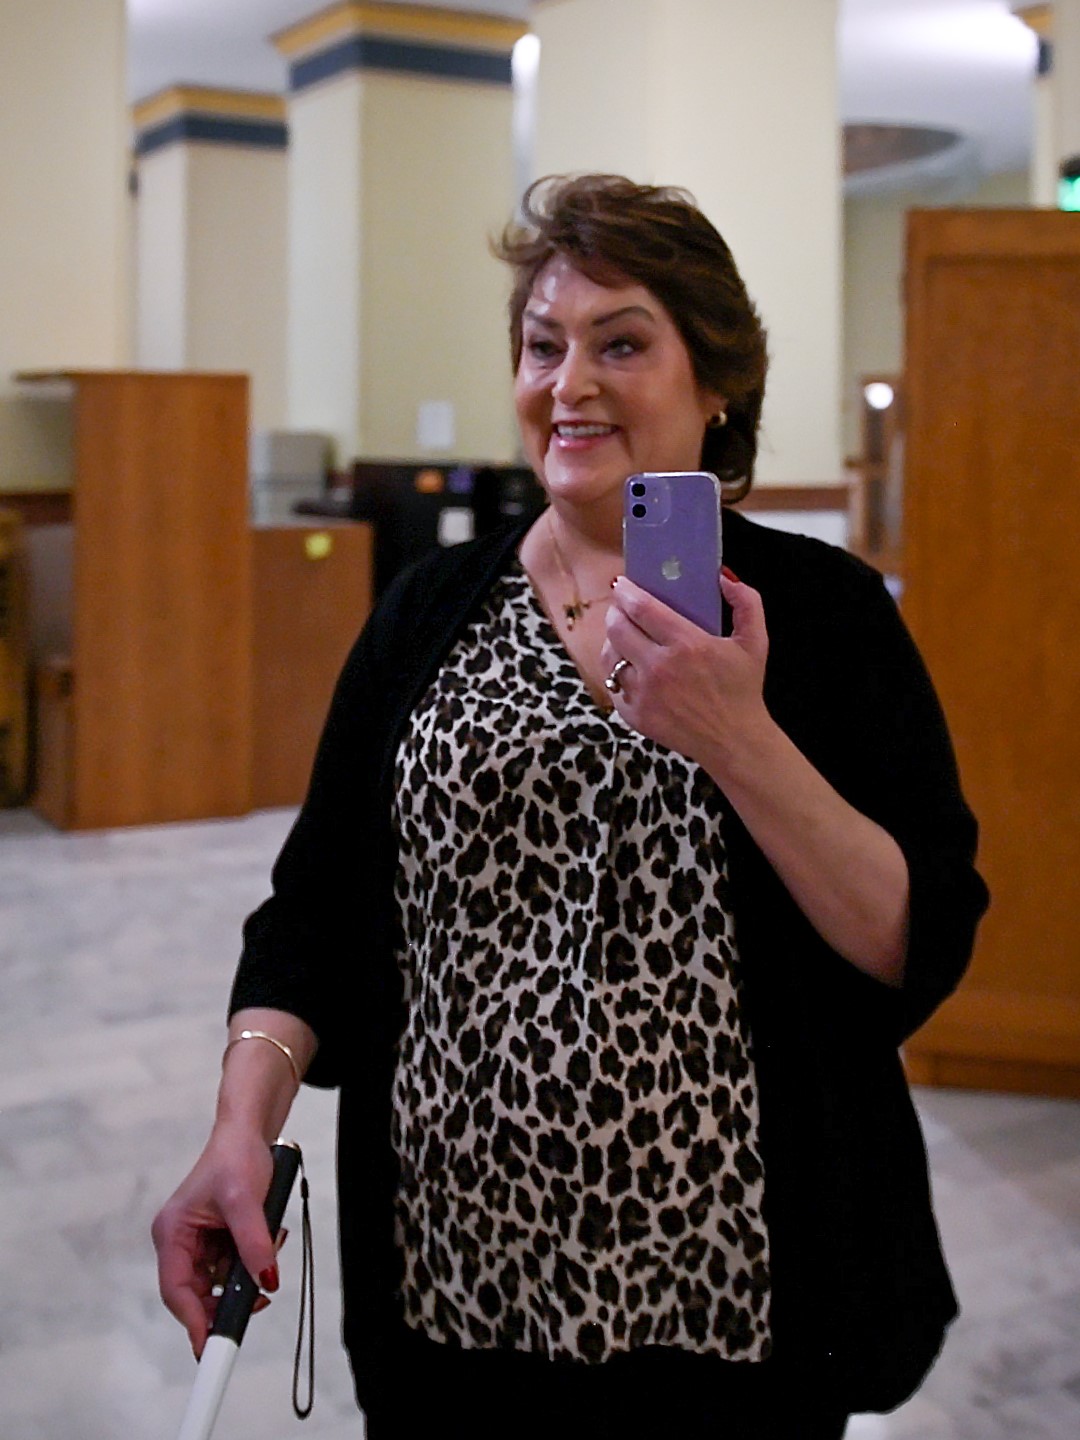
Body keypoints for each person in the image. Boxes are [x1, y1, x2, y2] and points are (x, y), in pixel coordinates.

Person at [153, 174, 989, 1439]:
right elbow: (316, 910)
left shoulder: (823, 619)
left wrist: (740, 739)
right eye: (544, 345)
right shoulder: (426, 614)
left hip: (739, 1314)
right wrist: (239, 1120)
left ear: (718, 383)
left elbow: (914, 942)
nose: (570, 382)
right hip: (450, 1295)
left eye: (623, 343)